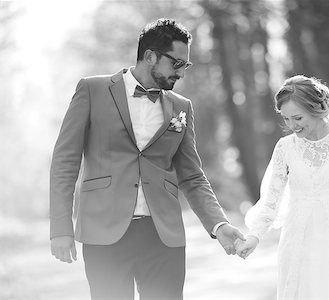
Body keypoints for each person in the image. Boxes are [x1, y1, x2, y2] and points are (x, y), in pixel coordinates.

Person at [49, 18, 244, 300]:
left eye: (185, 65)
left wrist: (219, 224)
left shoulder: (181, 107)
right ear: (150, 55)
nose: (182, 73)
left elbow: (192, 176)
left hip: (164, 237)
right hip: (104, 232)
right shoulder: (91, 90)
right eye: (176, 63)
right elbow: (65, 162)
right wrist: (60, 228)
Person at [235, 75, 329, 300]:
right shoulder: (285, 148)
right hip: (298, 244)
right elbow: (271, 201)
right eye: (286, 119)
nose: (292, 126)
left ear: (318, 108)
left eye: (297, 118)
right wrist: (254, 236)